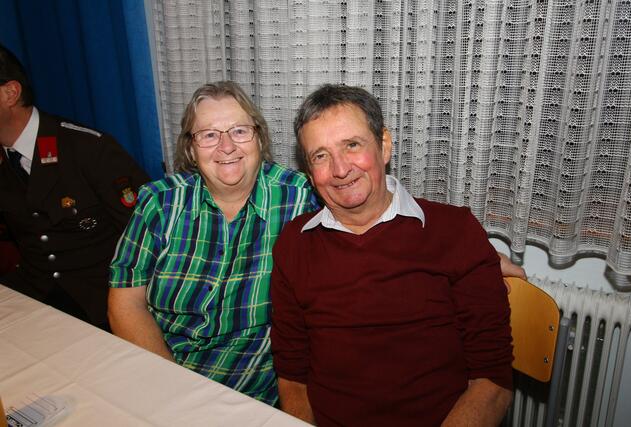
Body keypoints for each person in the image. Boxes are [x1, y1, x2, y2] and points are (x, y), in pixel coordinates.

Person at [270, 84, 514, 426]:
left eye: (352, 145)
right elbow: (292, 376)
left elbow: (493, 380)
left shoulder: (455, 232)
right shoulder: (295, 244)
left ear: (384, 145)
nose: (340, 169)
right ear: (309, 172)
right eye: (320, 156)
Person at [107, 81, 319, 405]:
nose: (226, 147)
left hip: (252, 397)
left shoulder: (301, 200)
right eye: (208, 135)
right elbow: (125, 304)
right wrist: (174, 389)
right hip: (162, 376)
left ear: (259, 138)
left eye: (239, 131)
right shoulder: (159, 204)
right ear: (191, 149)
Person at [0, 44, 149, 329]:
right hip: (33, 296)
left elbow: (149, 237)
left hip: (99, 303)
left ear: (10, 93)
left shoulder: (88, 149)